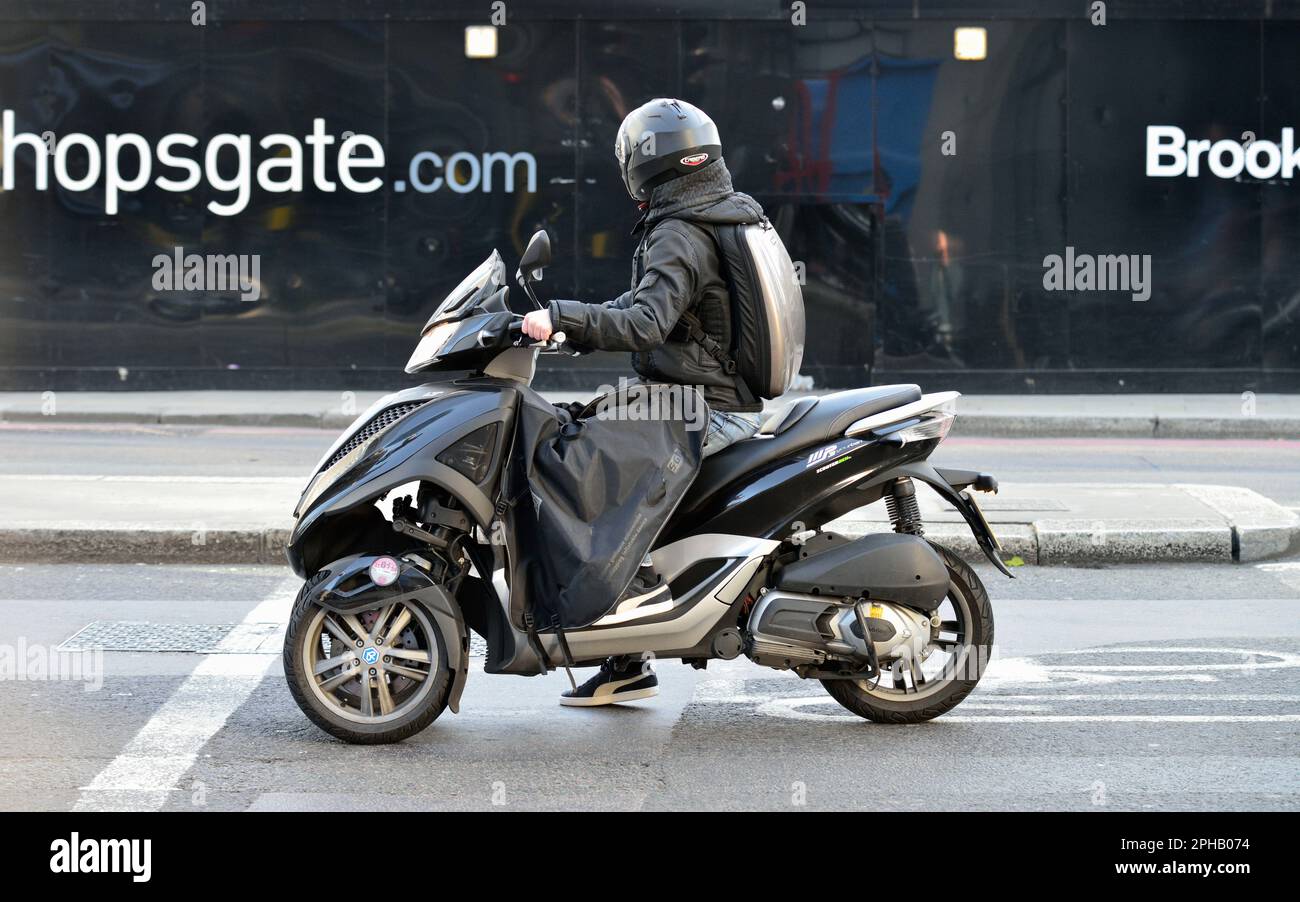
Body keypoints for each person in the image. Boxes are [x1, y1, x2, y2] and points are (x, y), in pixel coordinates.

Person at [519, 97, 772, 707]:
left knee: (569, 463)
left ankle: (616, 626)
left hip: (702, 407)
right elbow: (664, 317)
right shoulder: (709, 214)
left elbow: (646, 322)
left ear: (646, 163)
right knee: (577, 428)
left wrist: (560, 316)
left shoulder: (682, 230)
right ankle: (623, 653)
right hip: (698, 394)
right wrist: (573, 332)